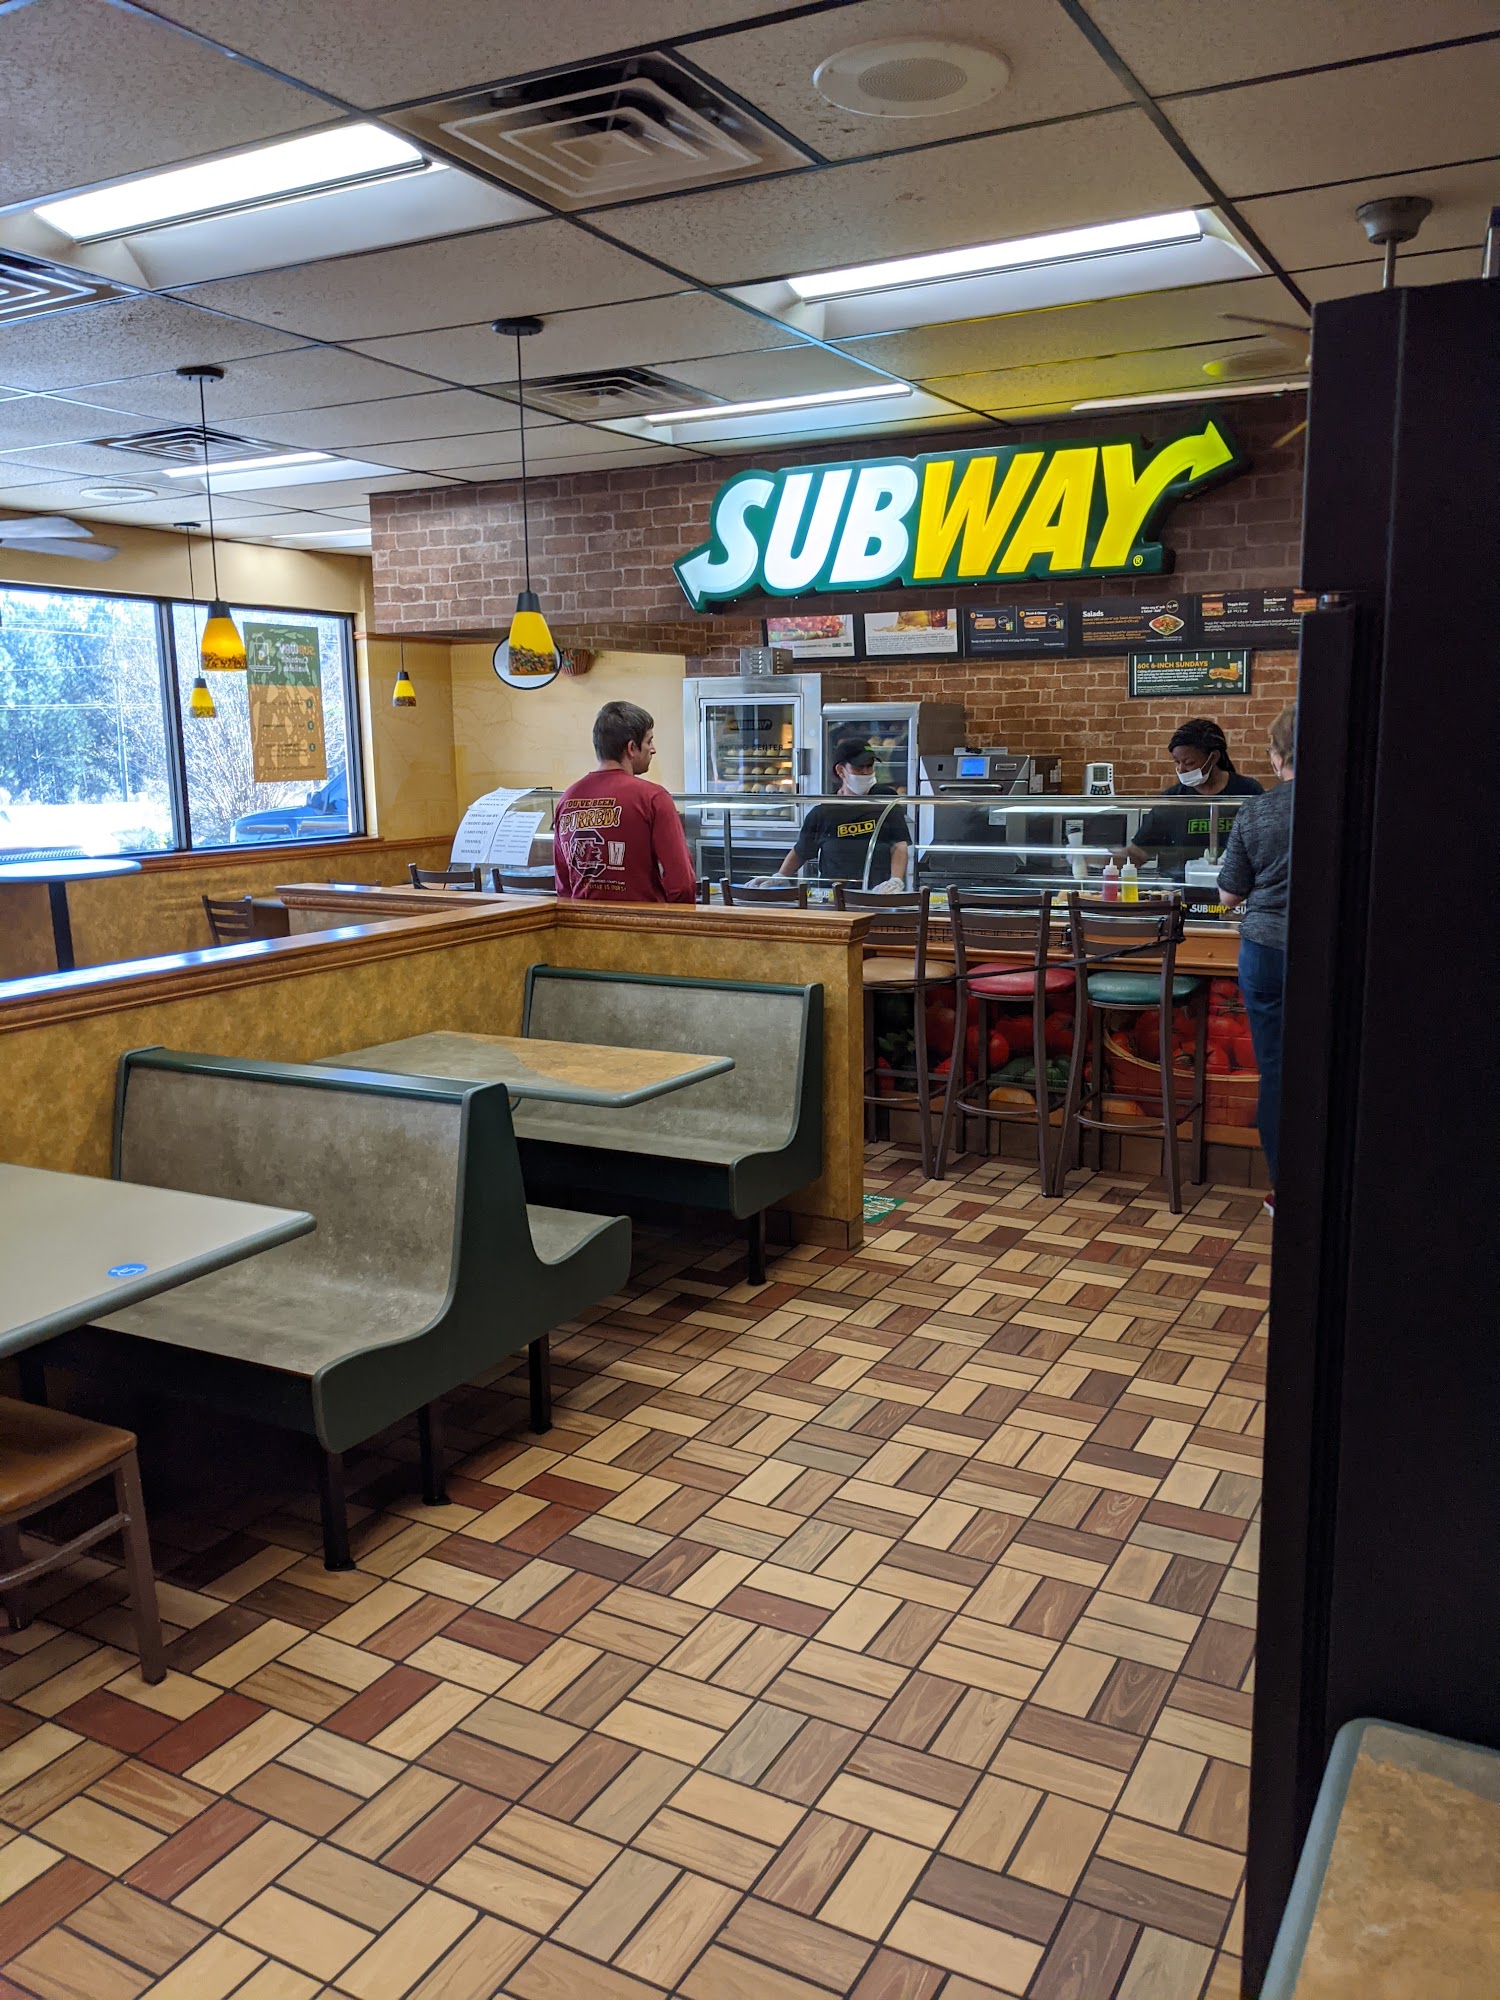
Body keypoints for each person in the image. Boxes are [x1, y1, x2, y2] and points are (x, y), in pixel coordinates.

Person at [1219, 704, 1296, 1213]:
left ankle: (1287, 1192)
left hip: (1266, 951)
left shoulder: (1257, 810)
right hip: (1337, 951)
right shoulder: (1358, 797)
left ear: (1278, 756)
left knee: (1277, 1070)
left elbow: (1229, 895)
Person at [553, 700, 697, 904]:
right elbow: (682, 884)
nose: (653, 749)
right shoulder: (653, 798)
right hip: (642, 920)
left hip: (582, 921)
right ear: (631, 747)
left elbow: (563, 886)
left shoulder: (567, 799)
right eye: (649, 741)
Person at [1120, 717, 1263, 879]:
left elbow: (1265, 846)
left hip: (1237, 888)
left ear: (1213, 757)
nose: (1181, 769)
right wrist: (1105, 858)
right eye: (1177, 762)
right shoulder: (1172, 800)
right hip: (1182, 888)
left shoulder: (1248, 792)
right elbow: (1139, 853)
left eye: (1189, 762)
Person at [762, 737, 909, 891]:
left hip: (877, 892)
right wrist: (780, 876)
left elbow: (899, 845)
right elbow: (802, 850)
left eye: (870, 766)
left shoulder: (886, 800)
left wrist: (895, 880)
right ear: (840, 770)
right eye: (859, 767)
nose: (866, 772)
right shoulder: (824, 811)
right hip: (833, 894)